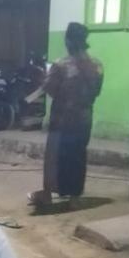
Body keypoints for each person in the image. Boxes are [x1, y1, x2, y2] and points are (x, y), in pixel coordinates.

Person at [29, 22, 103, 209]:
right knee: (78, 157)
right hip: (84, 119)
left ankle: (47, 195)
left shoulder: (61, 65)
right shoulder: (97, 65)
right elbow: (96, 91)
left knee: (55, 158)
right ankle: (74, 197)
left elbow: (51, 90)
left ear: (69, 41)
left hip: (62, 120)